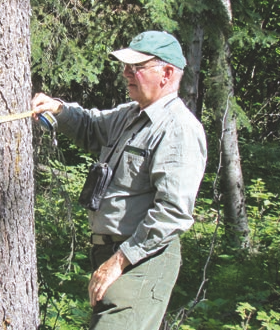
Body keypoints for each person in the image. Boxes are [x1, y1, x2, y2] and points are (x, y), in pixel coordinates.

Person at [31, 30, 207, 330]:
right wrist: (58, 109)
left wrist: (119, 261)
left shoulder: (178, 129)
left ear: (165, 73)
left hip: (142, 259)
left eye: (135, 67)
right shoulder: (130, 115)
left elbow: (173, 212)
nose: (125, 73)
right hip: (115, 253)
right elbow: (90, 126)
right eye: (125, 66)